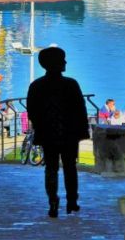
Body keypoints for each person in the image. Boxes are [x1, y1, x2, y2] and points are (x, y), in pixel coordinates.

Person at [27, 47, 89, 218]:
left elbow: (32, 111)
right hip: (69, 135)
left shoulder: (36, 86)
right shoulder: (71, 84)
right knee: (70, 168)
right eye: (63, 60)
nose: (65, 63)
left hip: (48, 135)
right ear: (57, 63)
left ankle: (53, 202)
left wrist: (41, 128)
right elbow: (80, 110)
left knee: (51, 169)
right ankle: (72, 201)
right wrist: (83, 131)